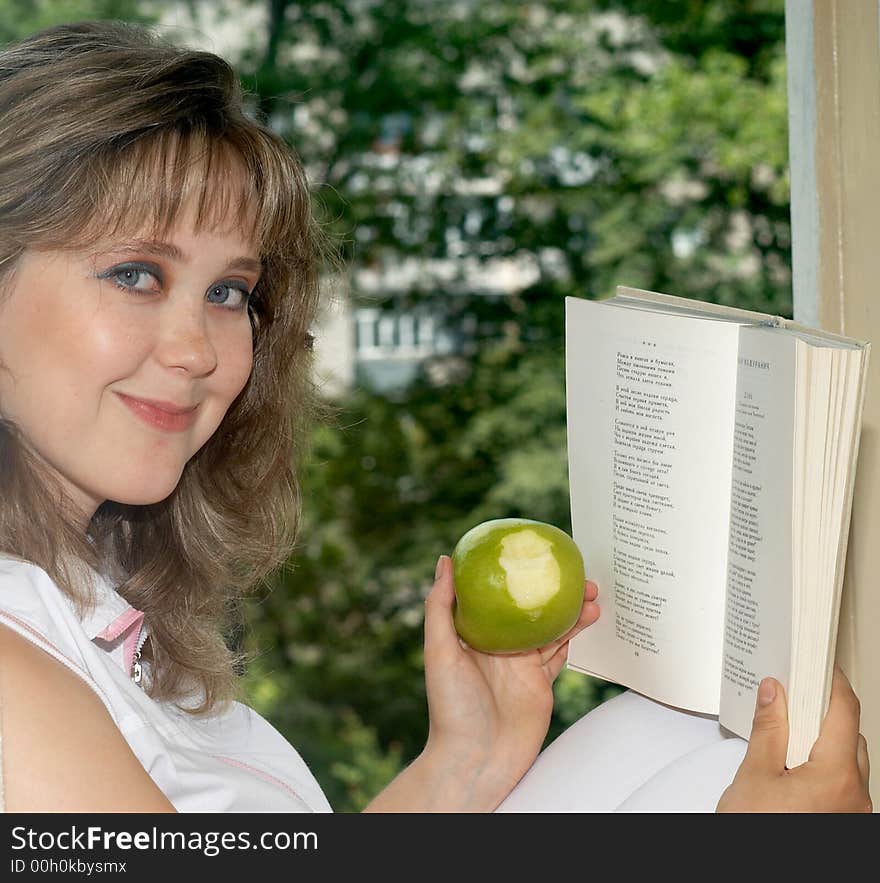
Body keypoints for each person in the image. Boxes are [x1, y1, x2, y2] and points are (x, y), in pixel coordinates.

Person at [0, 20, 870, 815]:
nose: (199, 350)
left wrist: (464, 761)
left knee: (690, 732)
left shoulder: (82, 593)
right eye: (136, 274)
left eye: (229, 291)